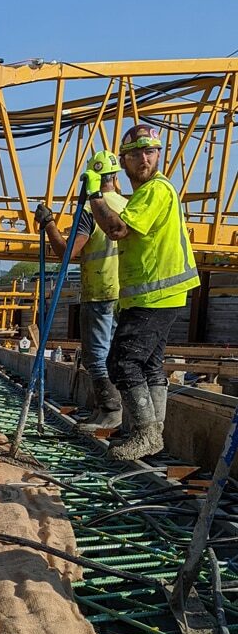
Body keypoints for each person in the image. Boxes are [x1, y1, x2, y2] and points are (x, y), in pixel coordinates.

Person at [86, 125, 199, 460]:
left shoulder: (156, 190)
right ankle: (151, 432)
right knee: (149, 363)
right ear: (124, 161)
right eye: (136, 153)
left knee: (122, 361)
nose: (144, 158)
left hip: (156, 293)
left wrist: (94, 197)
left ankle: (146, 434)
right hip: (155, 293)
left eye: (150, 151)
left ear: (158, 154)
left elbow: (118, 229)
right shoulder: (143, 194)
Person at [35, 153, 129, 432]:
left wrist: (49, 223)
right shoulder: (128, 205)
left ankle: (112, 411)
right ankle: (105, 412)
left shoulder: (91, 210)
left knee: (96, 356)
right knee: (113, 354)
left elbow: (67, 254)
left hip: (100, 290)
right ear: (115, 177)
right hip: (125, 291)